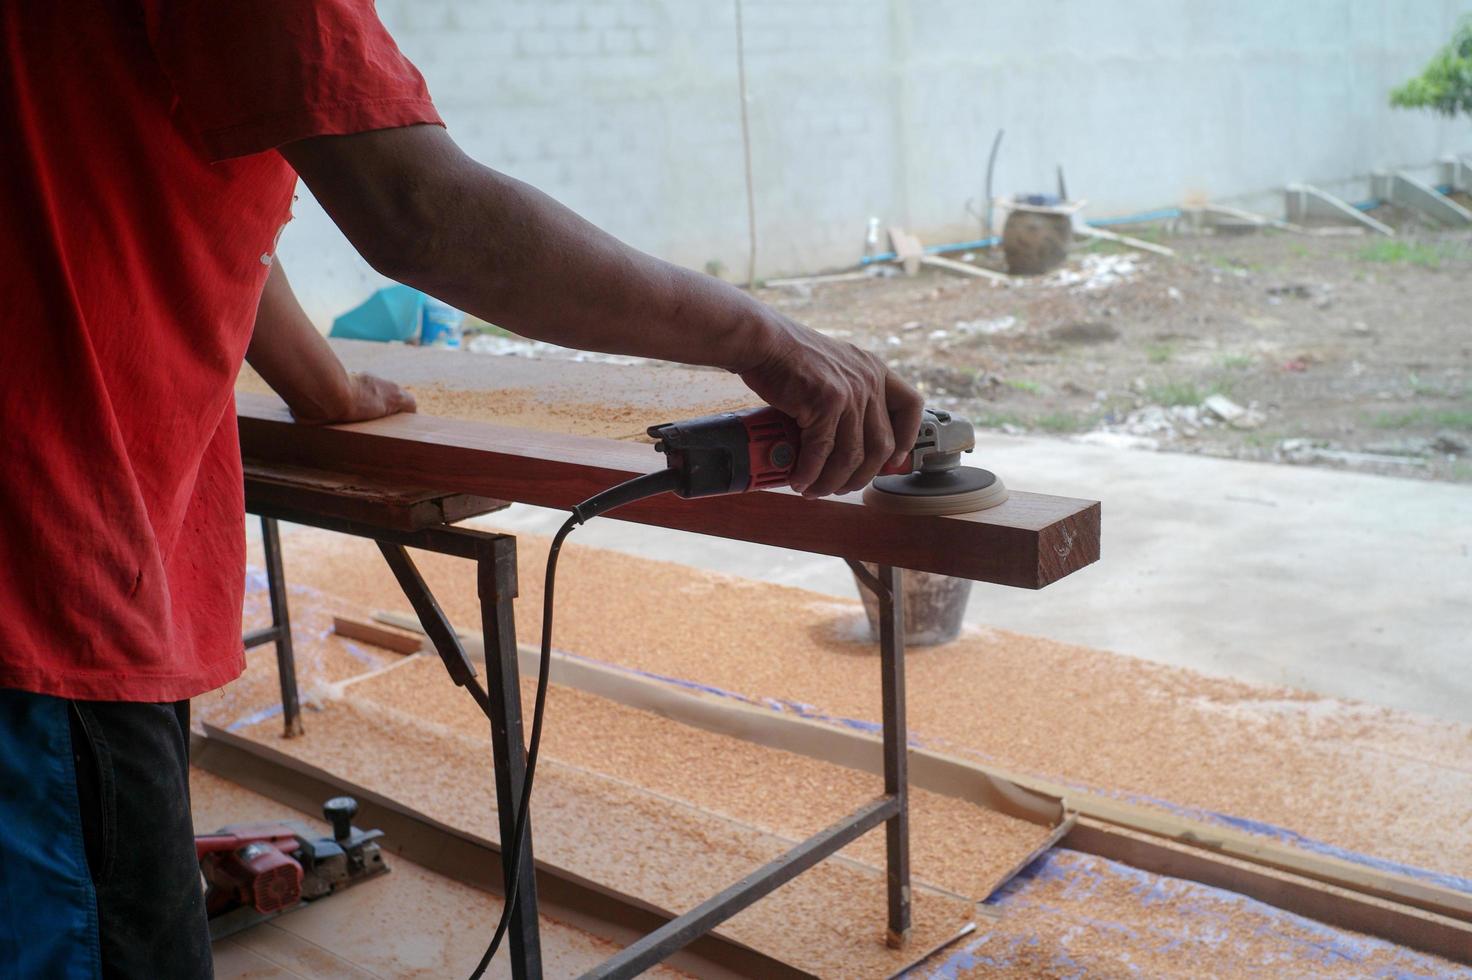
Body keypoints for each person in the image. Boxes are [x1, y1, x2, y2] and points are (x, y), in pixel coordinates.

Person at [0, 3, 923, 976]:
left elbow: (167, 193)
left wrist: (320, 385)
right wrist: (762, 337)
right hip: (43, 572)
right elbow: (421, 212)